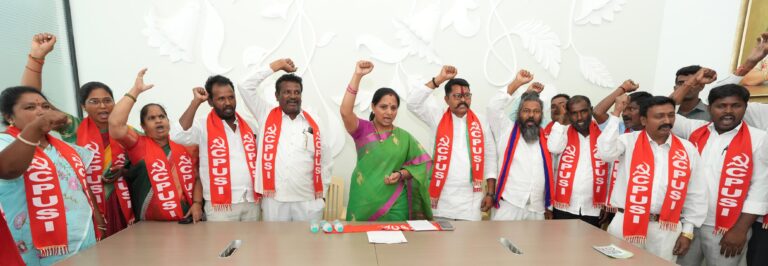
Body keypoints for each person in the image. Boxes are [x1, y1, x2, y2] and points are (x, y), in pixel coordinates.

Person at [21, 32, 134, 238]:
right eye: (94, 101)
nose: (102, 106)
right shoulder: (73, 126)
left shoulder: (126, 131)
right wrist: (37, 58)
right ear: (83, 106)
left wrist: (123, 172)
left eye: (107, 100)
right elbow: (32, 98)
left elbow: (143, 162)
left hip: (121, 203)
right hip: (84, 204)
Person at [0, 86, 105, 265]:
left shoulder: (67, 149)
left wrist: (99, 221)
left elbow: (82, 187)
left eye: (46, 106)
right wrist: (35, 128)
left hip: (82, 238)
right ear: (9, 117)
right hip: (34, 247)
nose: (41, 111)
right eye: (30, 107)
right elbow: (8, 169)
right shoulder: (5, 142)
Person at [596, 96, 707, 262]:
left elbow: (696, 192)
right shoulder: (628, 141)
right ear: (643, 120)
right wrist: (616, 113)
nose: (667, 121)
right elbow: (605, 153)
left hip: (666, 228)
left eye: (671, 115)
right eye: (659, 116)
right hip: (626, 222)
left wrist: (687, 232)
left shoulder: (687, 149)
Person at [670, 83, 768, 266]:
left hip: (728, 227)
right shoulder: (695, 129)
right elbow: (667, 112)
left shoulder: (760, 138)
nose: (728, 111)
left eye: (736, 106)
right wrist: (692, 82)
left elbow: (761, 186)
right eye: (721, 106)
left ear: (745, 108)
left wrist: (740, 229)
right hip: (687, 222)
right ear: (709, 108)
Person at [239, 58, 332, 221]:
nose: (293, 96)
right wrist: (276, 66)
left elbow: (326, 159)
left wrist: (322, 194)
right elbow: (244, 86)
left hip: (308, 199)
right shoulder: (265, 114)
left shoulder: (314, 120)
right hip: (274, 200)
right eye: (287, 92)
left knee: (308, 246)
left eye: (297, 92)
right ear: (277, 95)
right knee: (275, 245)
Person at [340, 60, 432, 221]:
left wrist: (401, 174)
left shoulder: (404, 137)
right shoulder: (362, 130)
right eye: (383, 107)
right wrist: (358, 75)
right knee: (361, 244)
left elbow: (424, 164)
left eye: (393, 108)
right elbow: (345, 112)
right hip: (364, 201)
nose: (389, 112)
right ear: (373, 107)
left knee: (397, 243)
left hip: (396, 203)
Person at [404, 65, 498, 221]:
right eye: (457, 96)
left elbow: (490, 156)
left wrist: (490, 193)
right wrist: (438, 80)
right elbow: (412, 103)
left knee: (469, 245)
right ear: (446, 99)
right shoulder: (436, 116)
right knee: (440, 245)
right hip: (442, 199)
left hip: (471, 201)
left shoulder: (481, 121)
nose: (463, 100)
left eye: (467, 96)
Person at [108, 69, 203, 222]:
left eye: (162, 117)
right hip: (151, 227)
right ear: (143, 126)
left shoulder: (184, 145)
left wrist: (198, 204)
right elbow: (115, 124)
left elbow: (198, 178)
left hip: (187, 221)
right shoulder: (138, 144)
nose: (158, 121)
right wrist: (136, 91)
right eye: (152, 118)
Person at [170, 75, 261, 221]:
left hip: (251, 201)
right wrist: (195, 102)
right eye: (221, 99)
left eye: (231, 97)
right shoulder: (202, 125)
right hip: (220, 206)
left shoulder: (250, 124)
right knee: (221, 244)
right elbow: (178, 135)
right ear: (210, 101)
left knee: (251, 244)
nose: (228, 103)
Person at [487, 69, 554, 221]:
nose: (531, 115)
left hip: (537, 209)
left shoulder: (547, 138)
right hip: (509, 206)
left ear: (542, 114)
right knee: (499, 245)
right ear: (519, 113)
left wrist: (548, 207)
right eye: (526, 111)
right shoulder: (505, 130)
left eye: (536, 111)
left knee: (536, 246)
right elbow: (493, 108)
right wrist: (517, 83)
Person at [546, 95, 608, 227]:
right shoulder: (563, 131)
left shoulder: (603, 133)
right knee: (560, 246)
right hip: (564, 207)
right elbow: (553, 148)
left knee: (588, 247)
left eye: (584, 111)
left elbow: (612, 170)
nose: (579, 117)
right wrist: (562, 120)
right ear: (568, 114)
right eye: (574, 113)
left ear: (591, 110)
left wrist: (607, 203)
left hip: (593, 209)